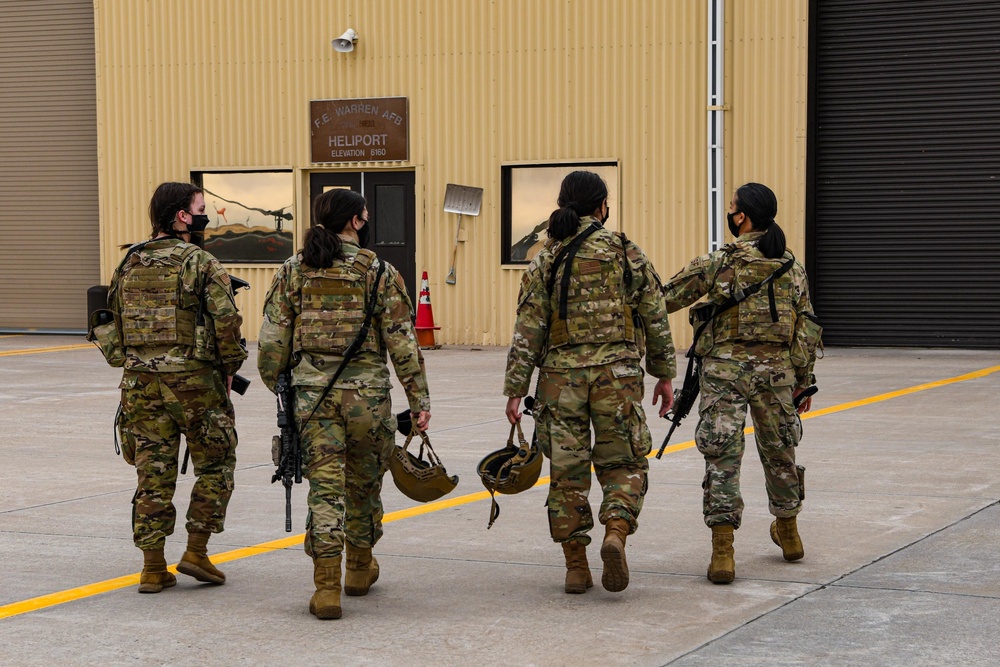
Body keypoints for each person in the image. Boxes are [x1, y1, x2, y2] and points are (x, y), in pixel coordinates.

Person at [258, 188, 431, 620]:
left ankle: (326, 589)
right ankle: (357, 569)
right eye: (365, 213)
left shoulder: (293, 270)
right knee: (364, 486)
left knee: (326, 490)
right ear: (355, 221)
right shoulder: (381, 272)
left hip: (314, 403)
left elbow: (271, 343)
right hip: (369, 402)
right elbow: (402, 342)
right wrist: (419, 399)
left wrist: (284, 386)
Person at [503, 170, 676, 595]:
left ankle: (576, 566)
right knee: (625, 462)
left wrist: (515, 388)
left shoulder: (546, 256)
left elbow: (529, 327)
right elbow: (655, 312)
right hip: (617, 376)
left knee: (567, 474)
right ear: (602, 207)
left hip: (560, 382)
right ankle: (615, 529)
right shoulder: (622, 248)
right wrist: (664, 373)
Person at [662, 182, 822, 584]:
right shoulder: (791, 265)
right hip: (777, 374)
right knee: (781, 451)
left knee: (722, 457)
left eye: (731, 207)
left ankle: (723, 554)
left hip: (724, 375)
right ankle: (789, 534)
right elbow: (807, 328)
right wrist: (804, 380)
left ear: (742, 217)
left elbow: (663, 299)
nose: (729, 213)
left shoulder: (718, 263)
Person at [106, 182, 246, 594]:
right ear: (183, 216)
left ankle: (152, 567)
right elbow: (227, 323)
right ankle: (196, 552)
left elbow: (111, 321)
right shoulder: (201, 262)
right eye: (200, 209)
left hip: (140, 383)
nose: (204, 215)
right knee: (216, 464)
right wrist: (229, 367)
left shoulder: (128, 263)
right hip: (194, 383)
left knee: (153, 471)